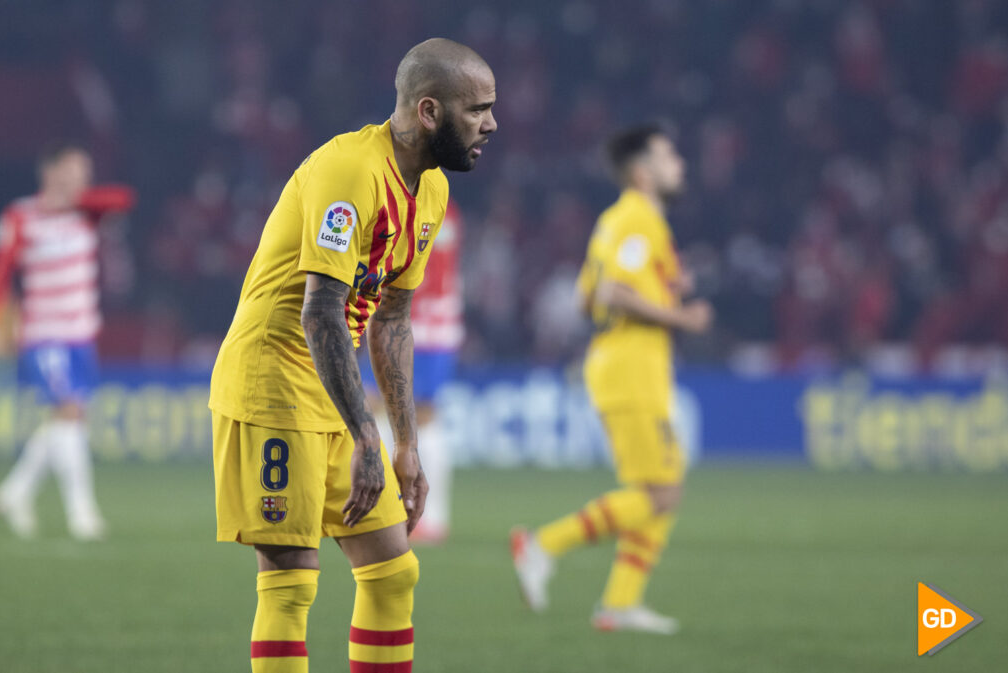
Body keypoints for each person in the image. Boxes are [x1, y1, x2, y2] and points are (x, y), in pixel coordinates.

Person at [208, 38, 495, 673]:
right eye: (477, 109)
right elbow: (320, 312)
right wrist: (366, 434)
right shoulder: (350, 174)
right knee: (291, 583)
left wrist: (405, 442)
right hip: (273, 382)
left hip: (333, 394)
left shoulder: (432, 192)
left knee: (394, 574)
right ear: (428, 111)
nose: (491, 124)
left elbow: (391, 319)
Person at [511, 124, 712, 634]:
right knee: (663, 492)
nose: (680, 165)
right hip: (631, 367)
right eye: (669, 156)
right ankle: (542, 546)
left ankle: (620, 602)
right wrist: (680, 316)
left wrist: (667, 287)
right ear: (642, 171)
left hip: (629, 364)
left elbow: (587, 294)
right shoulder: (637, 217)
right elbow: (613, 293)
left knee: (661, 488)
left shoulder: (616, 222)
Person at [0, 142, 135, 541]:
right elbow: (3, 271)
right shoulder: (21, 217)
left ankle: (14, 493)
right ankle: (82, 514)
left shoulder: (87, 211)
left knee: (66, 421)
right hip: (45, 333)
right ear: (51, 170)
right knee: (69, 412)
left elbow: (125, 198)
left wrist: (72, 200)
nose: (82, 178)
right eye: (75, 170)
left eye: (85, 171)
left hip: (81, 333)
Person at [361, 199, 464, 544]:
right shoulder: (442, 209)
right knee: (385, 409)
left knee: (412, 414)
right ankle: (406, 512)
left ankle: (425, 517)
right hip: (426, 322)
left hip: (416, 323)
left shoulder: (418, 207)